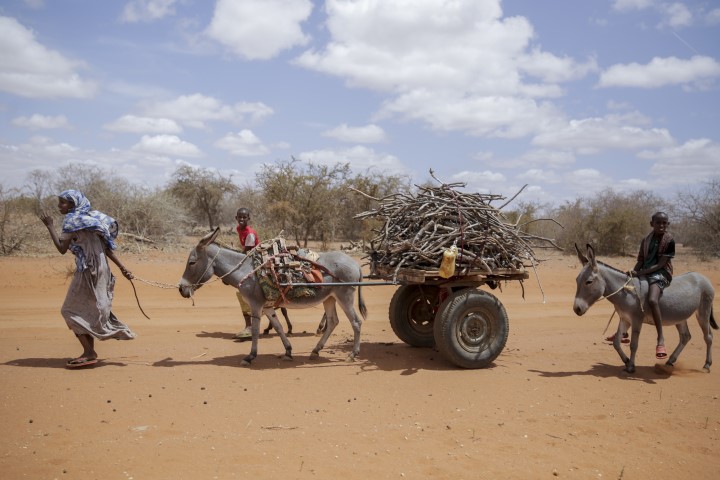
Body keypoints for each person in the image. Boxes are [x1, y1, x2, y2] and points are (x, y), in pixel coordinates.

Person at [40, 190, 136, 368]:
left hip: (87, 271)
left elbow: (62, 248)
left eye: (63, 203)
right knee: (87, 309)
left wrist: (50, 226)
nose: (59, 206)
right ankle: (89, 353)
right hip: (102, 270)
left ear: (73, 204)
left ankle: (89, 352)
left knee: (69, 311)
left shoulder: (71, 221)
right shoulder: (94, 219)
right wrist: (123, 268)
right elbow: (106, 248)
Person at [629, 211, 675, 360]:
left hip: (661, 273)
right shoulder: (646, 240)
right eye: (658, 223)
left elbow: (661, 264)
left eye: (664, 223)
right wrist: (633, 272)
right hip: (645, 271)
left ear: (667, 224)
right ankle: (623, 332)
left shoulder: (669, 241)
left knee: (653, 300)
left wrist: (641, 272)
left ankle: (660, 339)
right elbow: (641, 260)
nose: (661, 225)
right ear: (652, 224)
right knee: (625, 292)